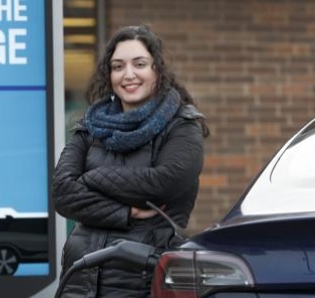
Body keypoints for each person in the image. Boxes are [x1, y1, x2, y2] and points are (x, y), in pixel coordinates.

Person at [52, 25, 209, 298]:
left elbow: (163, 183)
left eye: (140, 64)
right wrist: (128, 213)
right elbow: (62, 192)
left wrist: (91, 179)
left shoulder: (182, 126)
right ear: (109, 75)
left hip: (141, 281)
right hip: (79, 279)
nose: (128, 74)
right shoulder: (90, 126)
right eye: (118, 66)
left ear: (157, 70)